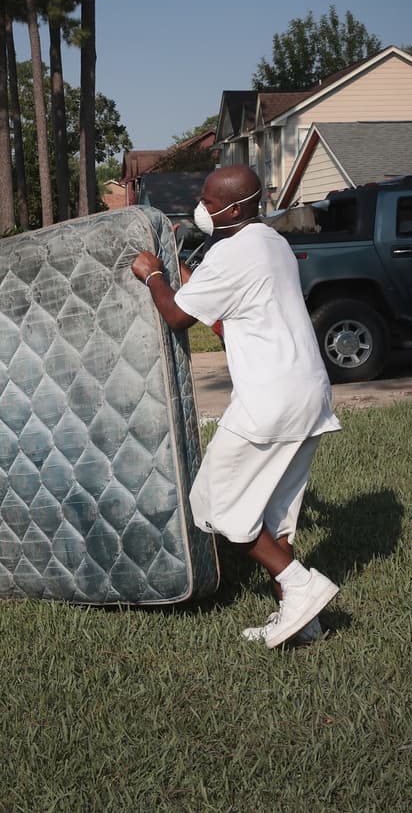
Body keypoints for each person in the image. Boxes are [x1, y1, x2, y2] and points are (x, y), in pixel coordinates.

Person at [130, 165, 341, 648]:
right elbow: (212, 296)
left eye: (210, 199)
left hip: (270, 401)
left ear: (239, 208)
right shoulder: (271, 243)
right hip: (308, 392)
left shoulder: (231, 252)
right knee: (276, 515)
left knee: (215, 506)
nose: (202, 207)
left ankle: (302, 585)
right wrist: (177, 267)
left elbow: (179, 314)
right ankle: (301, 621)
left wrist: (153, 274)